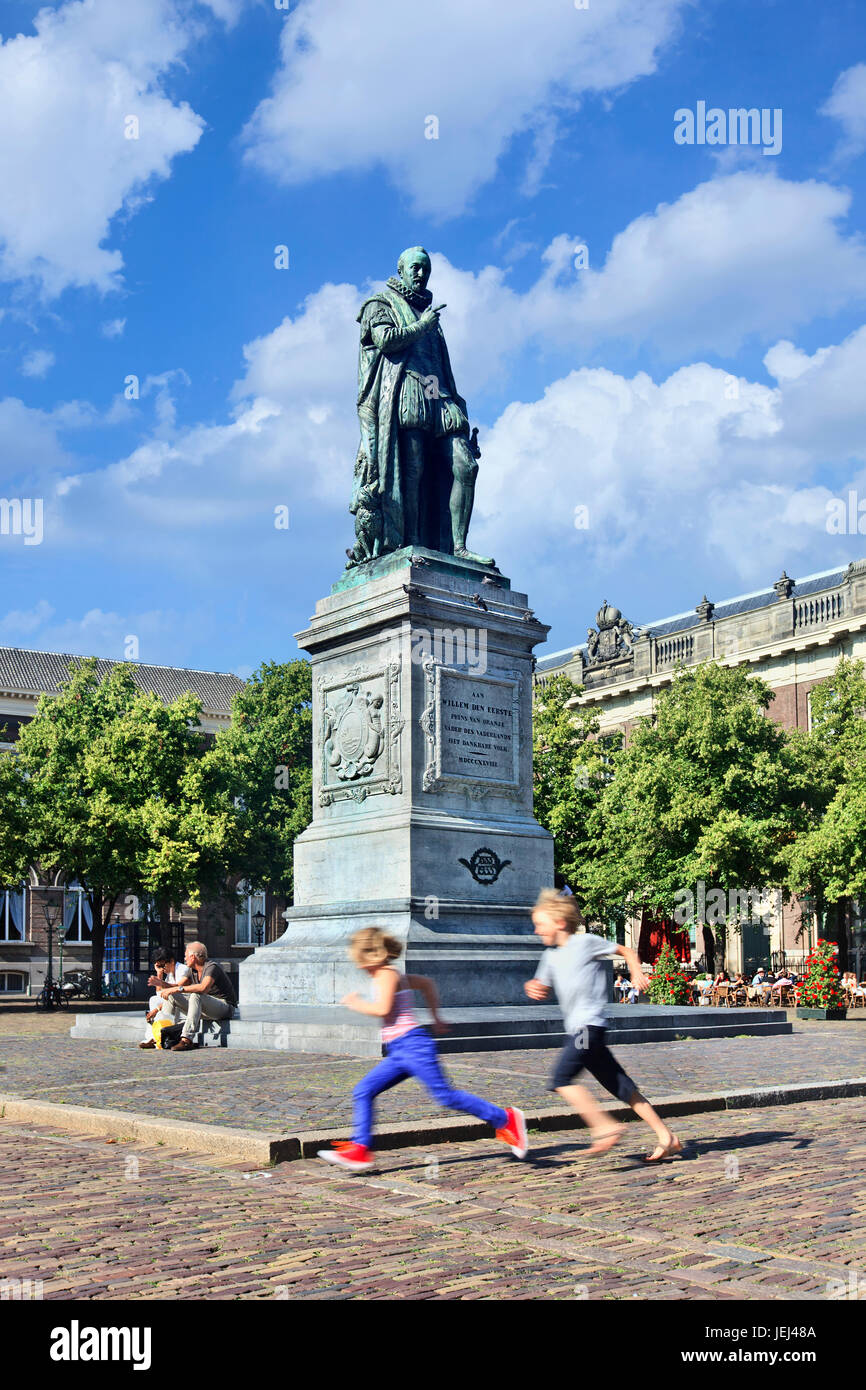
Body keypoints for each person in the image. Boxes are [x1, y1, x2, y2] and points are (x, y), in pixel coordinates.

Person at [317, 928, 527, 1172]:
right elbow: (427, 984)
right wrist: (435, 1016)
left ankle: (506, 1119)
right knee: (363, 1090)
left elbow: (383, 1009)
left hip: (414, 1046)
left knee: (445, 1096)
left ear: (368, 956)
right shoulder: (392, 975)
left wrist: (357, 1003)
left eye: (358, 960)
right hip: (400, 1050)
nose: (358, 966)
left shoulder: (386, 974)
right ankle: (360, 1150)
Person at [525, 889, 682, 1162]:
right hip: (580, 1030)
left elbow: (626, 950)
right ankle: (667, 1137)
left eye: (540, 924)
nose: (537, 931)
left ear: (560, 922)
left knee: (561, 1079)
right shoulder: (549, 957)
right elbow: (543, 984)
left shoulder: (586, 942)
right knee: (623, 1087)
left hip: (589, 1027)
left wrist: (635, 971)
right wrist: (534, 986)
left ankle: (605, 1127)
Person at [157, 943, 237, 1051]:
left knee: (196, 995)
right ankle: (163, 1034)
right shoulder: (191, 970)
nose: (184, 959)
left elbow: (203, 988)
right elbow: (177, 987)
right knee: (172, 996)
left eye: (186, 956)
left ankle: (186, 1040)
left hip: (224, 1007)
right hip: (205, 1007)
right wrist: (160, 981)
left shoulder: (211, 967)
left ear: (192, 957)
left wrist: (176, 989)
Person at [139, 948, 191, 1049]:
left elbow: (178, 989)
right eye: (159, 966)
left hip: (186, 1003)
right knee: (154, 999)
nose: (162, 968)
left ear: (171, 961)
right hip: (174, 1003)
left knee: (158, 1004)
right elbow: (159, 994)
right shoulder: (169, 974)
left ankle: (156, 1037)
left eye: (163, 965)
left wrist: (157, 1009)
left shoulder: (183, 969)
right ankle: (153, 1037)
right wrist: (159, 974)